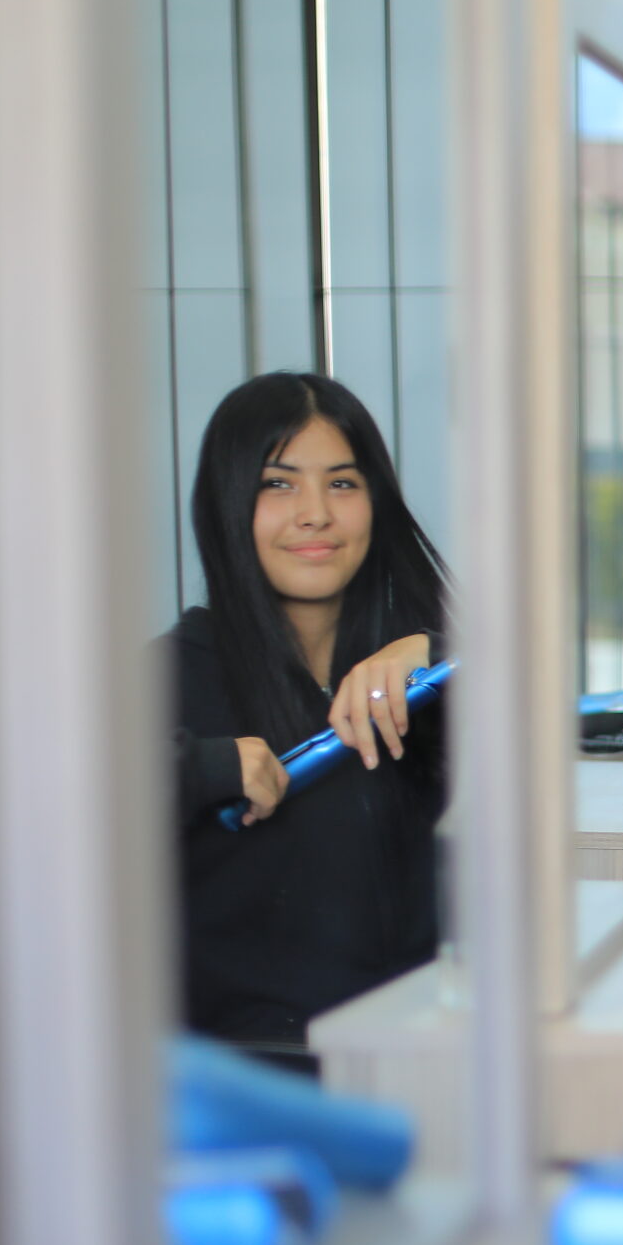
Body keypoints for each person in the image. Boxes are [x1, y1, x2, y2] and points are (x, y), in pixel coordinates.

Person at [169, 372, 451, 1052]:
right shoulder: (166, 679)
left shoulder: (423, 678)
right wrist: (206, 767)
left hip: (423, 1064)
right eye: (279, 483)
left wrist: (434, 653)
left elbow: (537, 720)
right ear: (227, 502)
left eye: (343, 483)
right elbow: (47, 799)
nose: (315, 513)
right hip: (257, 1085)